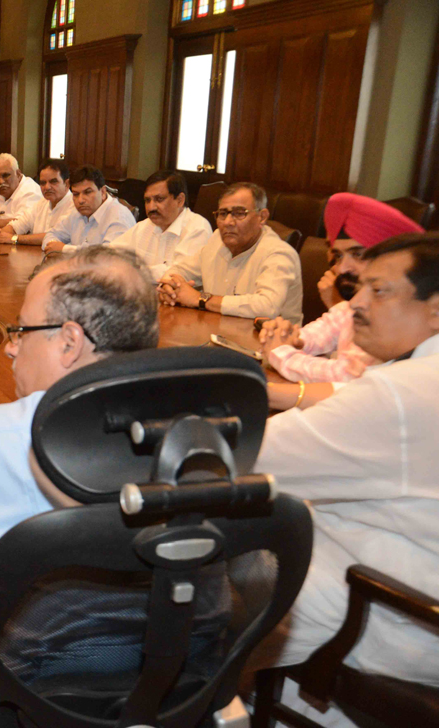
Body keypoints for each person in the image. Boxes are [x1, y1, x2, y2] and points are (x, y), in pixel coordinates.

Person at [251, 234, 439, 726]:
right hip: (409, 586)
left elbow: (255, 458)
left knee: (204, 580)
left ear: (435, 309)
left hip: (393, 610)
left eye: (380, 290)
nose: (356, 302)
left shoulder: (406, 392)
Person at [0, 246, 159, 586]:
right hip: (164, 618)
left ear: (69, 343)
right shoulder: (200, 430)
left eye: (22, 330)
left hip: (27, 621)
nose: (10, 347)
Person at [260, 193, 422, 410]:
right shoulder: (351, 303)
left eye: (358, 254)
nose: (342, 268)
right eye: (338, 256)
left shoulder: (403, 312)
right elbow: (321, 331)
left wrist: (282, 353)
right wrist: (289, 337)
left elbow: (349, 375)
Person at [158, 182, 303, 324]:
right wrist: (169, 288)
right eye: (222, 214)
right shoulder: (217, 240)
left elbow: (266, 306)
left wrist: (200, 299)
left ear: (262, 217)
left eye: (239, 213)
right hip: (217, 332)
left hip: (266, 339)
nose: (228, 222)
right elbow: (179, 270)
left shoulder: (279, 254)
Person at [107, 170, 212, 279]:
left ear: (180, 200)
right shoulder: (145, 225)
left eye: (159, 199)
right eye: (147, 200)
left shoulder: (198, 228)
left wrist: (134, 272)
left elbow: (178, 275)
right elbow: (110, 253)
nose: (151, 207)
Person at [38, 165, 136, 254]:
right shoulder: (77, 213)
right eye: (76, 194)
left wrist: (64, 249)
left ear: (102, 192)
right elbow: (51, 234)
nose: (80, 200)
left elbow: (108, 256)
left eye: (87, 192)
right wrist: (53, 246)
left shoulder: (119, 216)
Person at [0, 158, 75, 244]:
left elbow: (53, 236)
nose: (47, 187)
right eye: (43, 183)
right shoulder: (42, 203)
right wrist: (0, 234)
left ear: (66, 184)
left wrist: (13, 238)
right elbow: (18, 224)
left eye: (53, 182)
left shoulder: (74, 206)